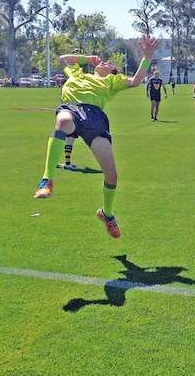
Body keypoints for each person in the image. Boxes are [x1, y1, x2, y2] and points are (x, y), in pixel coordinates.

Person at [33, 34, 159, 239]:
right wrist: (87, 59)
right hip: (71, 109)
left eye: (109, 64)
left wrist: (146, 57)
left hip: (94, 117)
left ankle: (107, 214)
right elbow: (64, 58)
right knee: (63, 122)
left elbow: (136, 81)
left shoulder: (112, 81)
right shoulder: (77, 74)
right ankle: (47, 180)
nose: (105, 62)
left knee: (112, 176)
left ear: (113, 71)